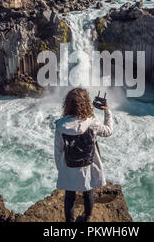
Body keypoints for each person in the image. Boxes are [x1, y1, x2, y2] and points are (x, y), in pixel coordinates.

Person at [54, 88, 113, 222]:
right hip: (87, 166)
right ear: (86, 104)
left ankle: (70, 221)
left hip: (69, 166)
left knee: (69, 196)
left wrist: (60, 168)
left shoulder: (61, 125)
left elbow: (58, 150)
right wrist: (107, 111)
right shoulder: (92, 123)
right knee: (88, 192)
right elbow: (108, 131)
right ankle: (87, 218)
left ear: (67, 105)